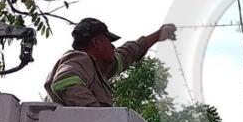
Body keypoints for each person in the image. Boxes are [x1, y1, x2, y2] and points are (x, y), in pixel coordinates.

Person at [45, 18, 176, 107]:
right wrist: (102, 117)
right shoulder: (80, 59)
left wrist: (158, 35)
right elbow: (64, 82)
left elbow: (127, 53)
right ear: (97, 43)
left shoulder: (98, 68)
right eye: (109, 42)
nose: (113, 47)